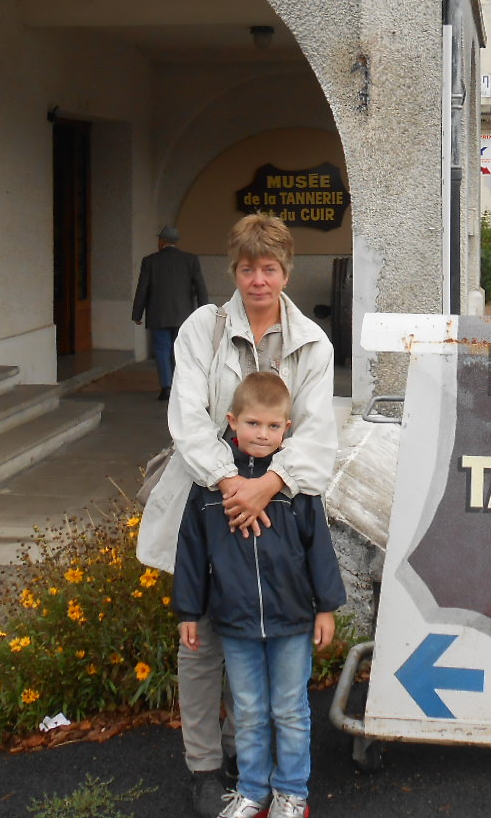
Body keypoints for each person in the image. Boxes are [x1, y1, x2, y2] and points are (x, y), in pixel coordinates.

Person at [137, 213, 338, 818]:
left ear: (286, 271)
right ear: (234, 270)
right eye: (248, 268)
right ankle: (205, 765)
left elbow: (317, 431)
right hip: (208, 500)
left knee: (267, 635)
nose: (258, 280)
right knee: (202, 641)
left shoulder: (312, 343)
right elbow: (188, 418)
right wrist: (231, 483)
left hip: (279, 506)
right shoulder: (204, 327)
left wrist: (269, 485)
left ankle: (253, 769)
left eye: (269, 268)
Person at [174, 372, 344, 818]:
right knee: (247, 711)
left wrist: (326, 607)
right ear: (232, 423)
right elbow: (191, 552)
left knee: (289, 709)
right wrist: (189, 611)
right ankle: (252, 792)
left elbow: (319, 548)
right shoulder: (210, 488)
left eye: (272, 426)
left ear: (287, 428)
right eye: (252, 424)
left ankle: (292, 793)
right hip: (235, 620)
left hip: (291, 619)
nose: (262, 434)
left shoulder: (295, 486)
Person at [133, 225, 210, 400]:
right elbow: (200, 288)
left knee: (161, 349)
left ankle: (166, 387)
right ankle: (180, 386)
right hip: (184, 315)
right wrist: (204, 311)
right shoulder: (190, 260)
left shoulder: (149, 261)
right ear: (176, 241)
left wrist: (137, 314)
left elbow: (142, 289)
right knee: (181, 351)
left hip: (158, 314)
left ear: (161, 242)